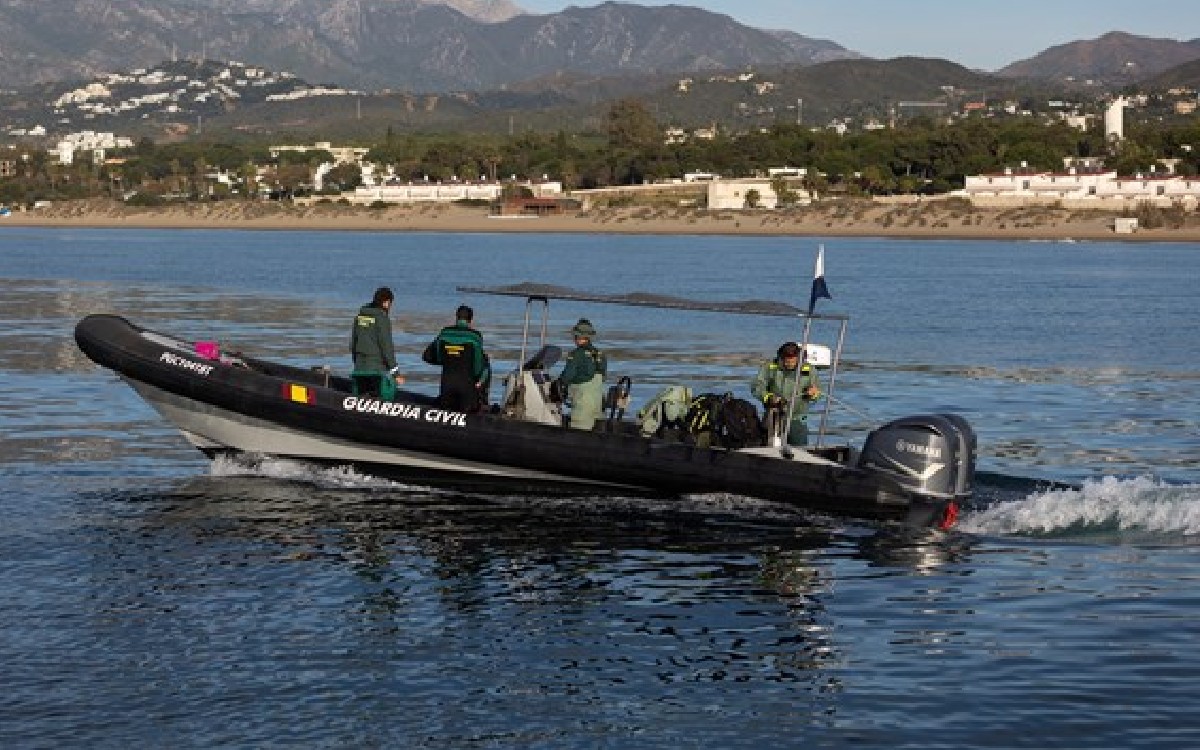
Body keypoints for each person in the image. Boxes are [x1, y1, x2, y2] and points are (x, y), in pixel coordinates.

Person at [751, 341, 822, 447]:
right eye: (787, 361)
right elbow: (756, 387)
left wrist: (813, 393)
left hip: (797, 419)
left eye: (792, 361)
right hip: (773, 416)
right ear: (781, 357)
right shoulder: (770, 367)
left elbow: (818, 393)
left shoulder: (809, 370)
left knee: (800, 449)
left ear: (798, 358)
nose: (789, 364)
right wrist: (768, 397)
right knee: (769, 449)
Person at [422, 304, 491, 413]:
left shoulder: (444, 333)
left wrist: (451, 357)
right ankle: (483, 402)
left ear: (456, 317)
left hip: (446, 393)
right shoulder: (475, 337)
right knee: (486, 365)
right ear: (470, 320)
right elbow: (478, 369)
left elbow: (430, 357)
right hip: (467, 397)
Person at [349, 286, 403, 399]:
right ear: (386, 302)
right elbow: (387, 347)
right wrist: (396, 374)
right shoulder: (382, 319)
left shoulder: (360, 317)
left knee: (361, 395)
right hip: (376, 371)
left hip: (359, 368)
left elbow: (353, 343)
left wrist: (357, 363)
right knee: (378, 396)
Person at [555, 318, 607, 430]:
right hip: (598, 402)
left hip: (583, 403)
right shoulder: (600, 354)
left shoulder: (576, 354)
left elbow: (567, 376)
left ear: (577, 337)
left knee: (578, 430)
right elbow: (603, 376)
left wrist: (558, 384)